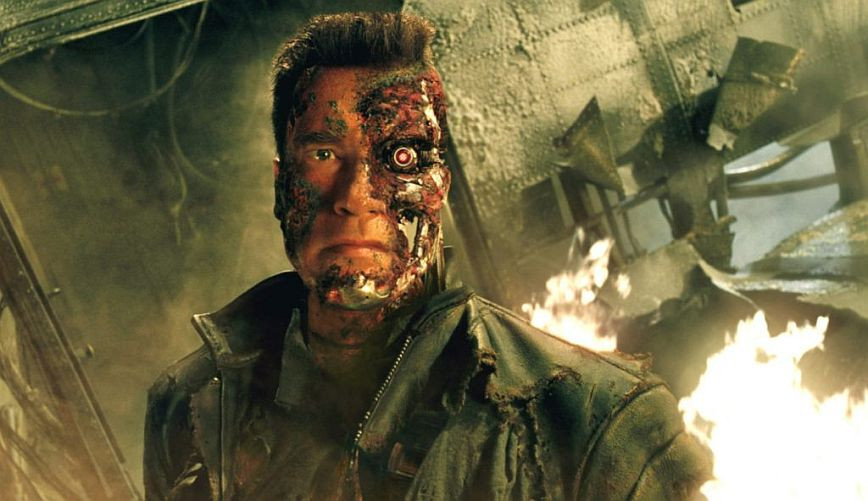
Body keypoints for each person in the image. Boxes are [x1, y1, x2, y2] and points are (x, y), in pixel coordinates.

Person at [144, 11, 711, 500]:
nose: (355, 196)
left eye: (402, 156)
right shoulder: (192, 403)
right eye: (323, 153)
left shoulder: (598, 425)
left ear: (440, 186)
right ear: (280, 184)